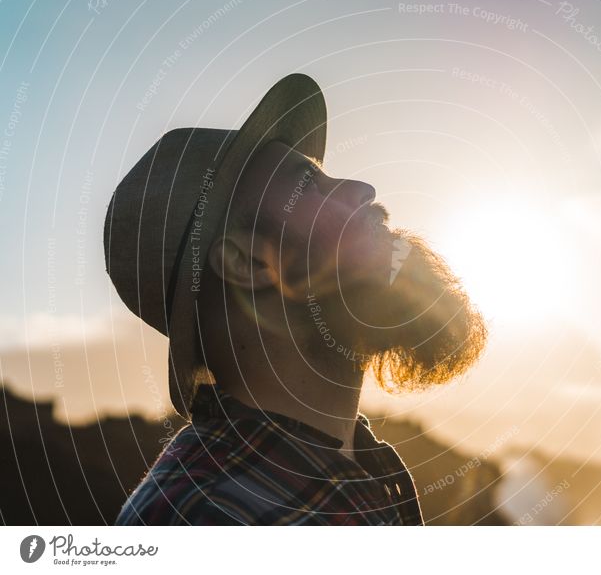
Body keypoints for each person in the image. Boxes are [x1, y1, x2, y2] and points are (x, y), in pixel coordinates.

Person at [105, 74, 487, 525]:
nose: (363, 189)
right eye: (309, 185)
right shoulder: (212, 518)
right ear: (247, 263)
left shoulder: (355, 474)